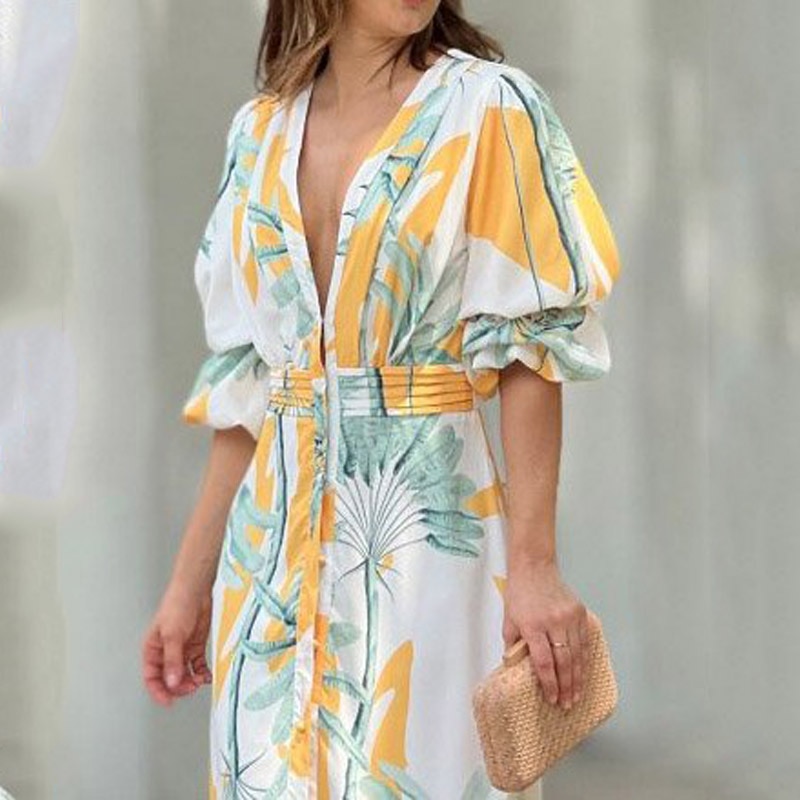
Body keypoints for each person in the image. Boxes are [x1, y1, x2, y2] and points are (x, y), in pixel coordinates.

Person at [141, 1, 622, 797]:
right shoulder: (256, 135)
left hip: (427, 557)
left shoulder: (491, 108)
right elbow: (248, 388)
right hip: (267, 579)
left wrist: (537, 567)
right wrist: (189, 587)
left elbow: (531, 346)